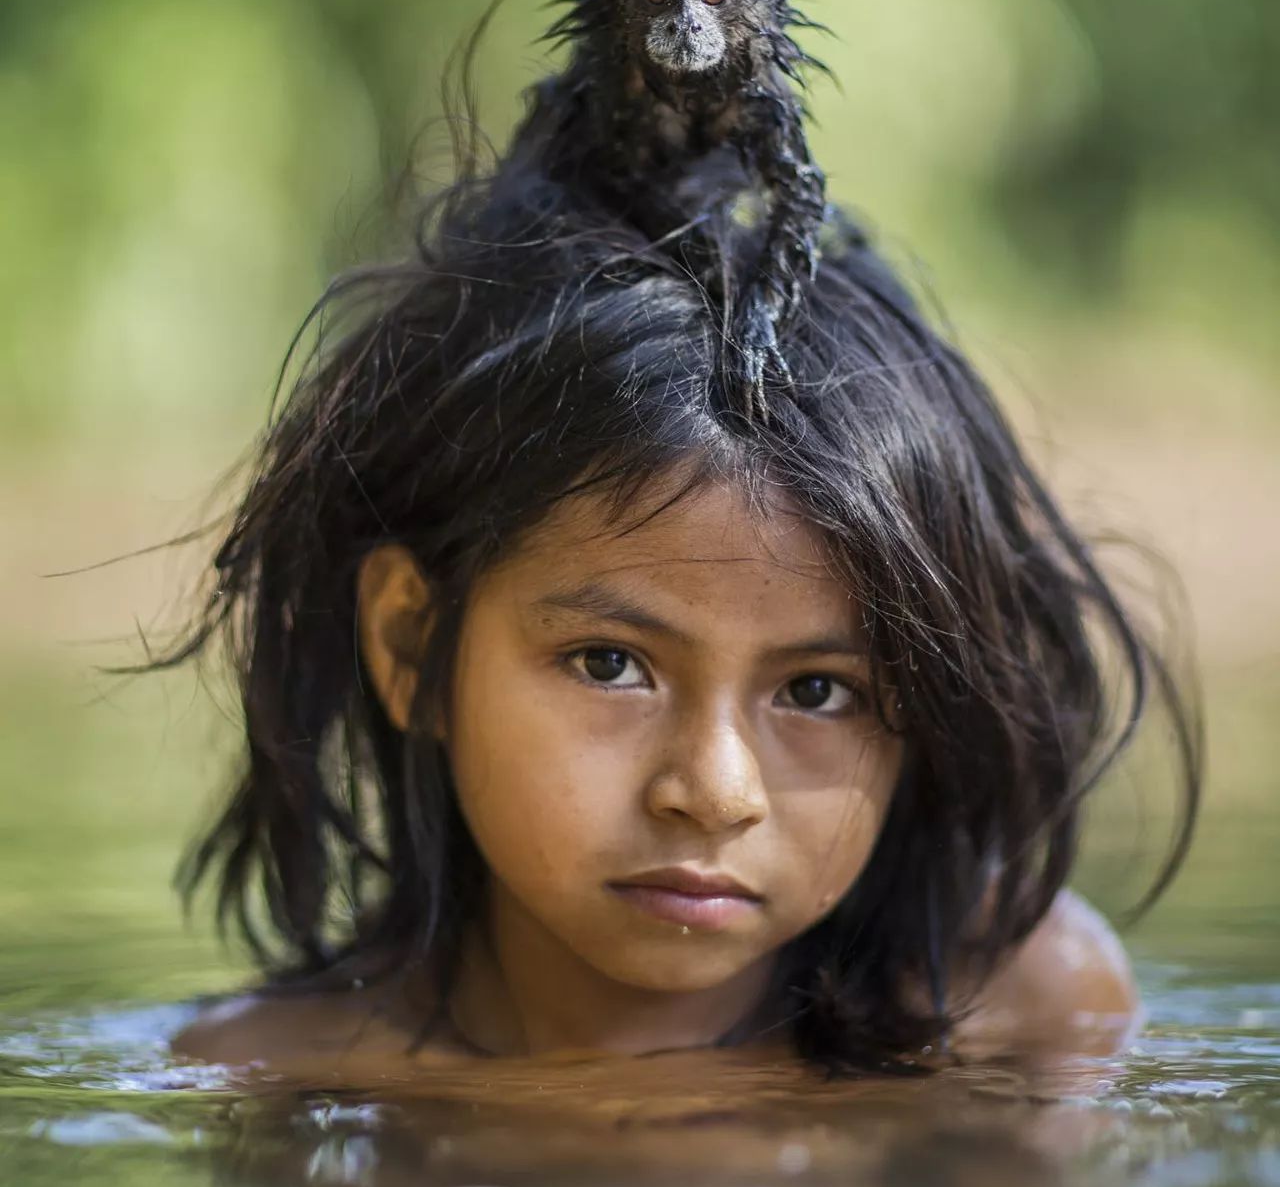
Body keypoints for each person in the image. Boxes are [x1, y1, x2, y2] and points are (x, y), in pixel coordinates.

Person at [166, 133, 1200, 1082]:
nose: (711, 791)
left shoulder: (1015, 1018)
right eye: (609, 664)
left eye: (814, 690)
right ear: (411, 643)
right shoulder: (274, 1075)